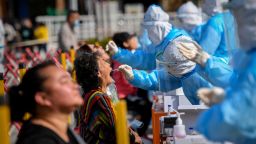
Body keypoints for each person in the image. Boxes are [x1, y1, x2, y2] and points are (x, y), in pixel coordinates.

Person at [186, 0, 256, 143]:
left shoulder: (216, 22)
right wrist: (226, 96)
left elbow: (230, 121)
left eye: (238, 21)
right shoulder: (249, 57)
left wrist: (203, 123)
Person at [9, 61, 85, 144]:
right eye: (64, 81)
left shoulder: (61, 129)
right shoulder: (38, 141)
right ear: (43, 98)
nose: (75, 86)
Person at [75, 52, 142, 144]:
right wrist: (135, 138)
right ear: (98, 72)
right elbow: (117, 128)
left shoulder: (91, 95)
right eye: (104, 62)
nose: (109, 64)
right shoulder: (98, 98)